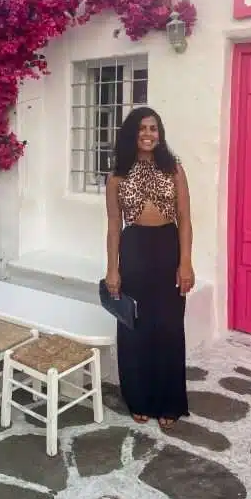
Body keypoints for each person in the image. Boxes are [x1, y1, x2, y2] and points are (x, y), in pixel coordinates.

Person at [105, 106, 194, 430]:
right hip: (134, 251)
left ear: (160, 133)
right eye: (142, 128)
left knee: (169, 326)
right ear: (132, 133)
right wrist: (112, 270)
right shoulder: (117, 174)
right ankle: (139, 399)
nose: (148, 134)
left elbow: (185, 219)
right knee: (136, 327)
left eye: (153, 128)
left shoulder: (174, 169)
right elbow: (114, 226)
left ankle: (169, 401)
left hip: (168, 248)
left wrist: (186, 262)